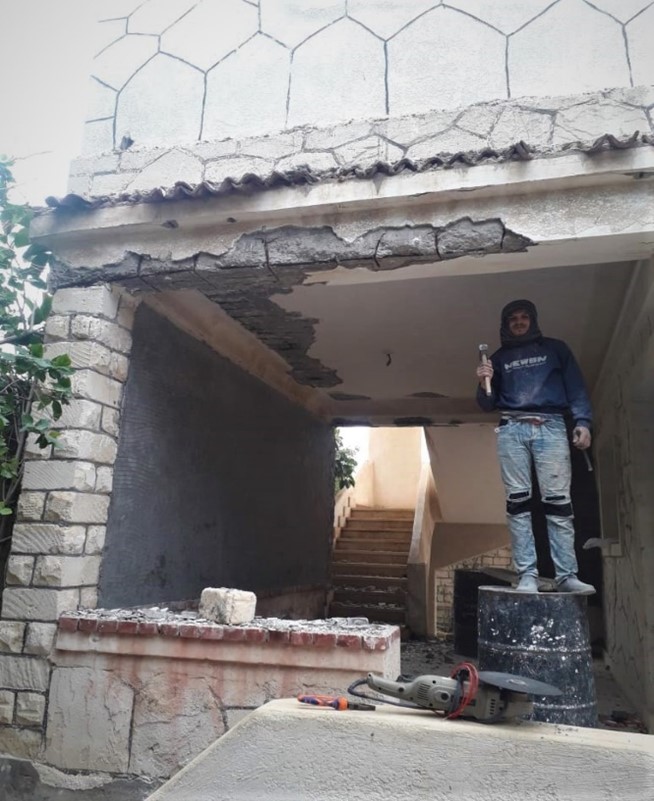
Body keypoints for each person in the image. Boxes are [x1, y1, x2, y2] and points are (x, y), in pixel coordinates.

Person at [476, 299, 595, 594]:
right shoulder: (499, 359)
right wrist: (483, 381)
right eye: (513, 318)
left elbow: (576, 387)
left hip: (551, 425)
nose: (519, 322)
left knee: (558, 502)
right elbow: (487, 404)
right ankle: (527, 575)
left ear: (533, 320)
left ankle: (566, 576)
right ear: (506, 325)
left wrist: (583, 421)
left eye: (523, 317)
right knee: (517, 503)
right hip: (511, 428)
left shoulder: (555, 349)